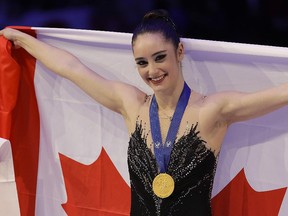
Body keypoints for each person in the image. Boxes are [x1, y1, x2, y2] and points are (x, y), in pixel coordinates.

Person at [1, 9, 288, 216]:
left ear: (179, 52)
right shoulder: (133, 106)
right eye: (142, 62)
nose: (152, 70)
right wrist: (22, 40)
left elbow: (278, 94)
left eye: (159, 57)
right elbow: (72, 69)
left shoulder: (213, 110)